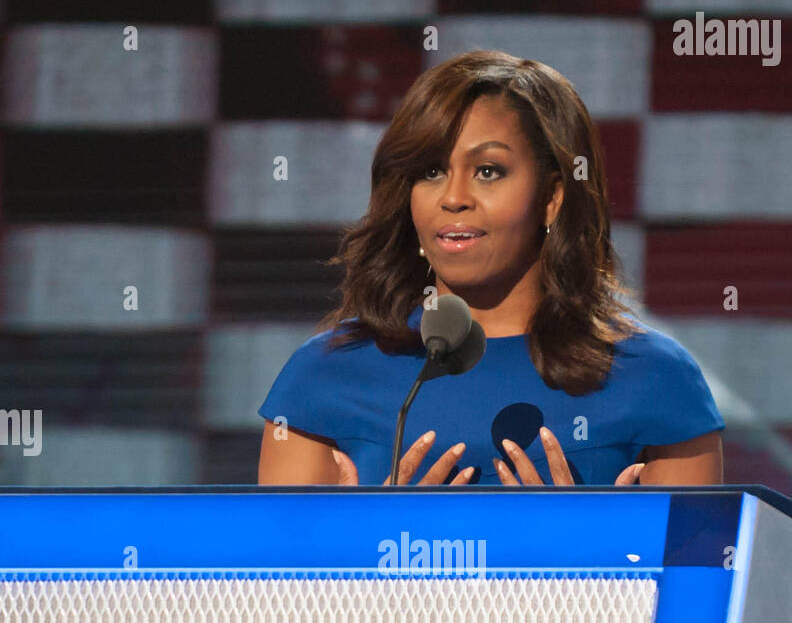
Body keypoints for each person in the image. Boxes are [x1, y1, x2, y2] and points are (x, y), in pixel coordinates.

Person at [258, 50, 723, 488]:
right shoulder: (324, 375)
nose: (453, 196)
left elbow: (701, 570)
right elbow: (272, 571)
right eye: (430, 171)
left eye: (487, 171)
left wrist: (589, 549)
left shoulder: (655, 378)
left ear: (552, 197)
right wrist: (375, 540)